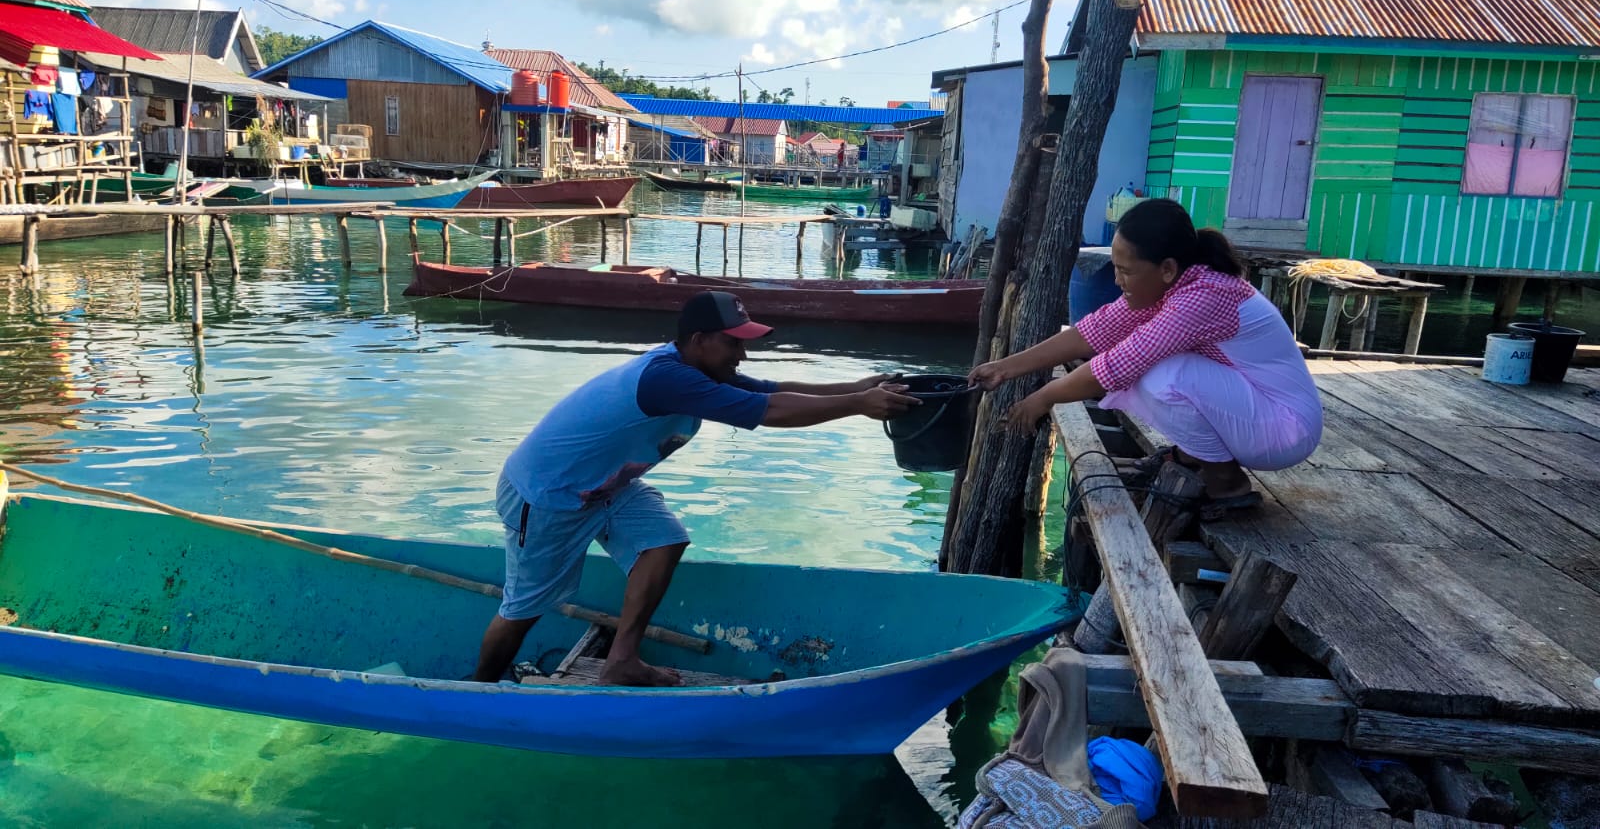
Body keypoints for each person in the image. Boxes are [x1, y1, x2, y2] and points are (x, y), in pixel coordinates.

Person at [474, 291, 920, 686]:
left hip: (605, 487)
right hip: (548, 496)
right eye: (734, 342)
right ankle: (479, 690)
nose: (742, 354)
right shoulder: (669, 378)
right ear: (698, 339)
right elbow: (768, 411)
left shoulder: (696, 369)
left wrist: (854, 387)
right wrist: (856, 405)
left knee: (664, 541)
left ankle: (622, 659)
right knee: (523, 609)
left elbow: (769, 389)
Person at [969, 198, 1322, 519]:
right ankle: (1189, 458)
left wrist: (1041, 399)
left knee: (1162, 374)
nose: (1118, 279)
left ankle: (1226, 484)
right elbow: (1092, 331)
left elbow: (1117, 364)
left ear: (1167, 268)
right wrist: (1004, 368)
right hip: (1259, 414)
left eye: (1126, 271)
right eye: (1116, 268)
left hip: (1285, 430)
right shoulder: (1177, 283)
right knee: (1155, 367)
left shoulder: (1202, 296)